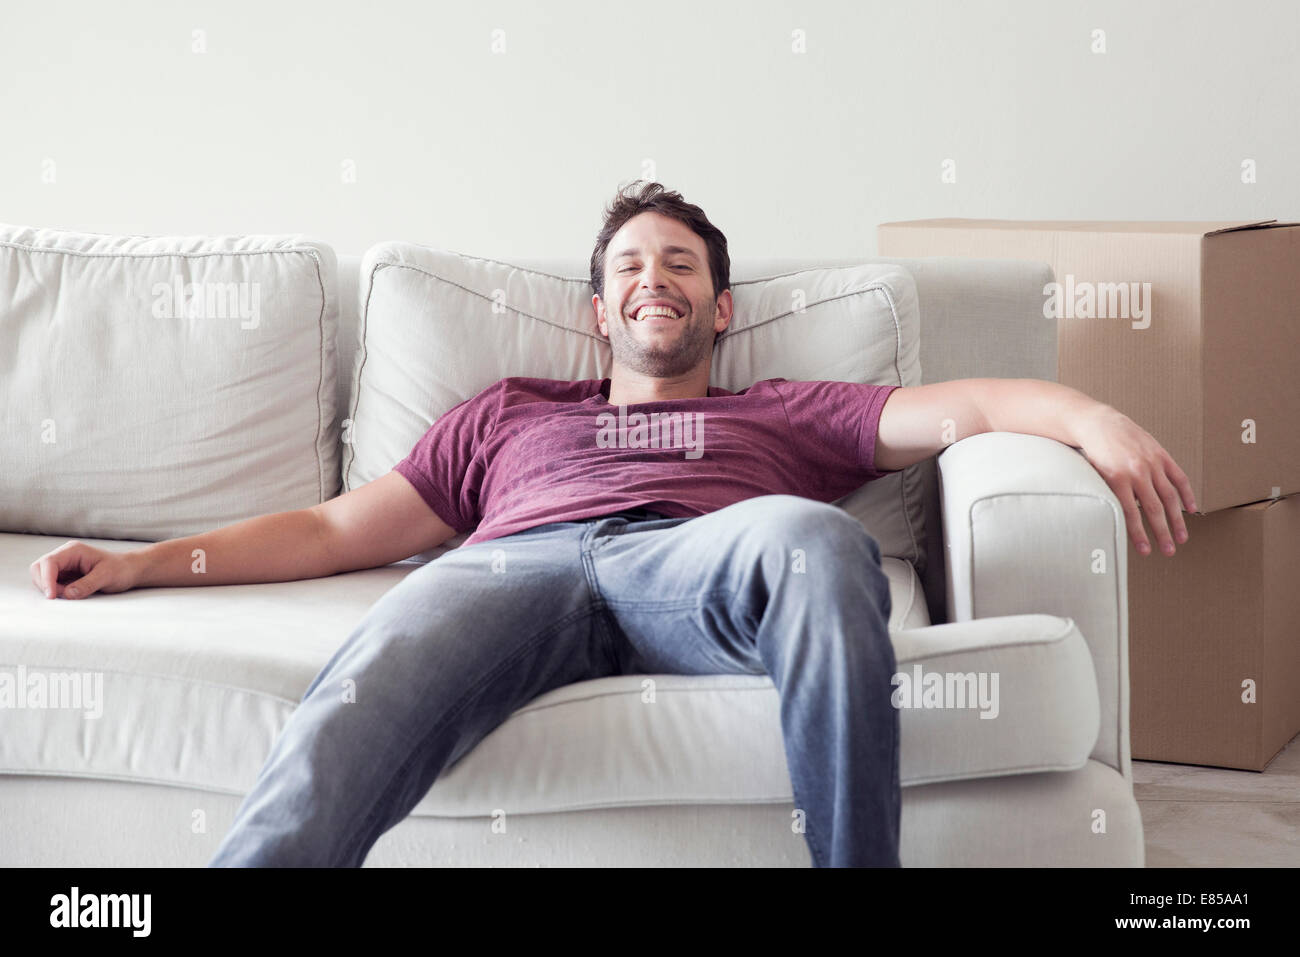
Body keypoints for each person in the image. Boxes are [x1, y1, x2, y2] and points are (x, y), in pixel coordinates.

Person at [30, 181, 1196, 868]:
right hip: (511, 571)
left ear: (719, 307)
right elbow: (334, 535)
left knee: (815, 542)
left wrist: (1095, 416)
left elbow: (978, 405)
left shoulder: (781, 409)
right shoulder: (506, 414)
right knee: (367, 668)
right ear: (599, 313)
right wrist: (140, 566)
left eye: (680, 264)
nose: (656, 279)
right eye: (632, 265)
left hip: (699, 562)